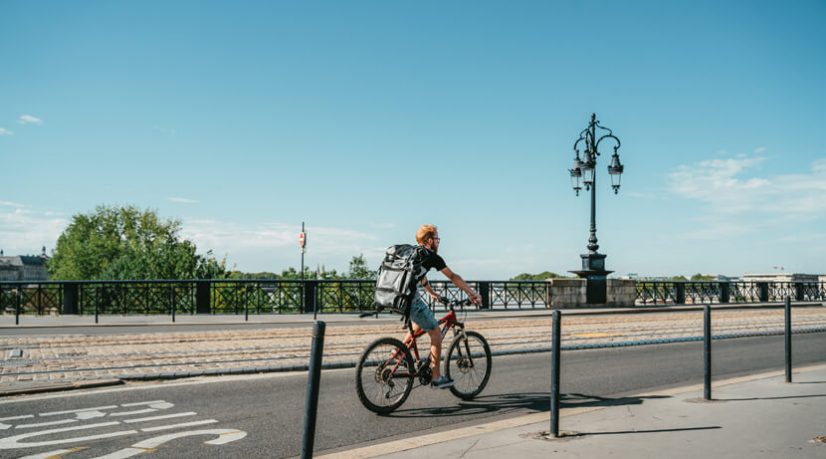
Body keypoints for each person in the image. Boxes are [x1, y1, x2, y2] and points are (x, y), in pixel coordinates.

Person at [406, 224, 482, 389]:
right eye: (437, 239)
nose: (438, 242)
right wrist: (472, 294)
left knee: (418, 324)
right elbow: (453, 277)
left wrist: (431, 293)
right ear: (429, 240)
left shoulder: (413, 253)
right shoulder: (432, 257)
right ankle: (436, 376)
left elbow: (420, 277)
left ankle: (397, 354)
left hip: (396, 296)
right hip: (410, 298)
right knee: (436, 332)